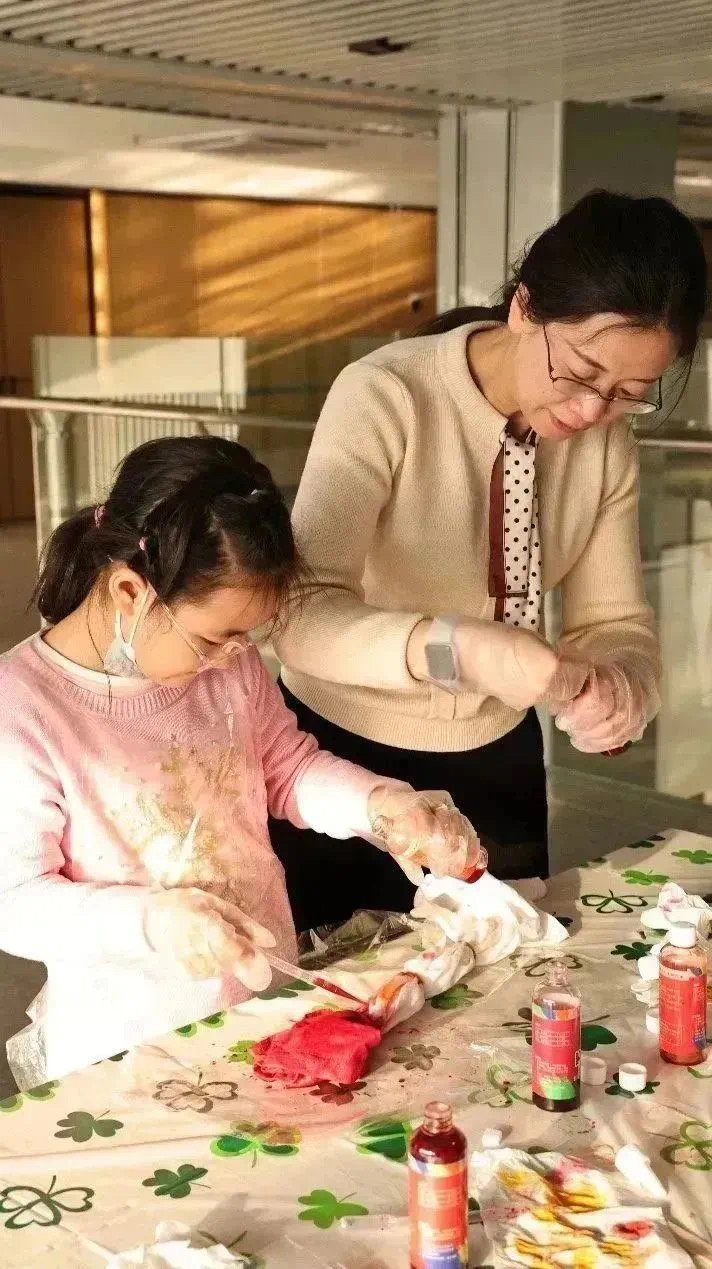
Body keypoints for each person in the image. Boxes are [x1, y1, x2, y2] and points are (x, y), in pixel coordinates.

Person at [272, 189, 708, 930]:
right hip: (344, 763)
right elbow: (297, 614)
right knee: (347, 985)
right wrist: (451, 647)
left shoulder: (606, 447)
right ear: (525, 308)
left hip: (499, 761)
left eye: (627, 394)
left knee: (510, 983)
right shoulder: (387, 395)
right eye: (580, 372)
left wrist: (621, 685)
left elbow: (615, 623)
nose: (591, 411)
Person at [0, 436, 482, 1088]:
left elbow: (288, 768)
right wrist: (154, 921)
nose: (235, 654)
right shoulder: (22, 709)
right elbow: (16, 900)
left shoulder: (225, 667)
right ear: (130, 591)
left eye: (246, 637)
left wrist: (382, 805)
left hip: (258, 1009)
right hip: (125, 1044)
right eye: (216, 635)